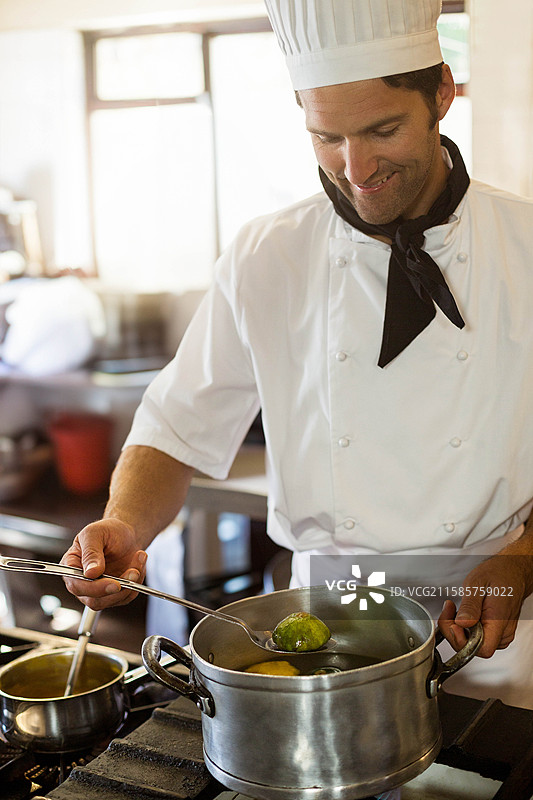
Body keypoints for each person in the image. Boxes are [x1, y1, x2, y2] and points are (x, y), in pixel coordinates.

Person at [61, 0, 533, 711]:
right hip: (325, 626)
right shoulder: (266, 254)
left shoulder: (524, 246)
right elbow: (175, 426)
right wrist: (124, 524)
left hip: (492, 614)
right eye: (326, 137)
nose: (357, 167)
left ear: (440, 90)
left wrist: (521, 558)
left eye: (383, 129)